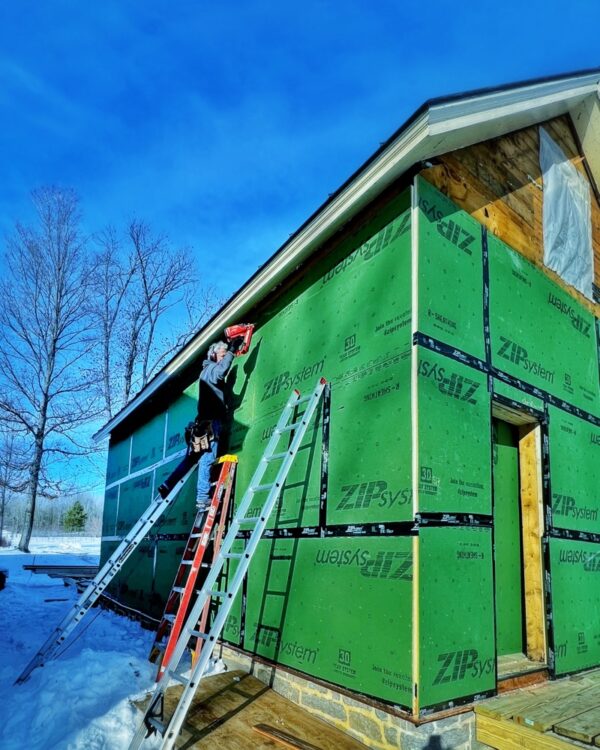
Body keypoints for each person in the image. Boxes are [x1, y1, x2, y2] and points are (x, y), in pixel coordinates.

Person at [194, 340, 235, 510]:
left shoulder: (206, 372)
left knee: (208, 458)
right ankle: (203, 498)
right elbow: (221, 372)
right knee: (208, 459)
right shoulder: (210, 370)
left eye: (225, 355)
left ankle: (203, 496)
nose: (224, 358)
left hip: (209, 421)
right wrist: (232, 351)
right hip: (209, 422)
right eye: (222, 355)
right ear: (213, 355)